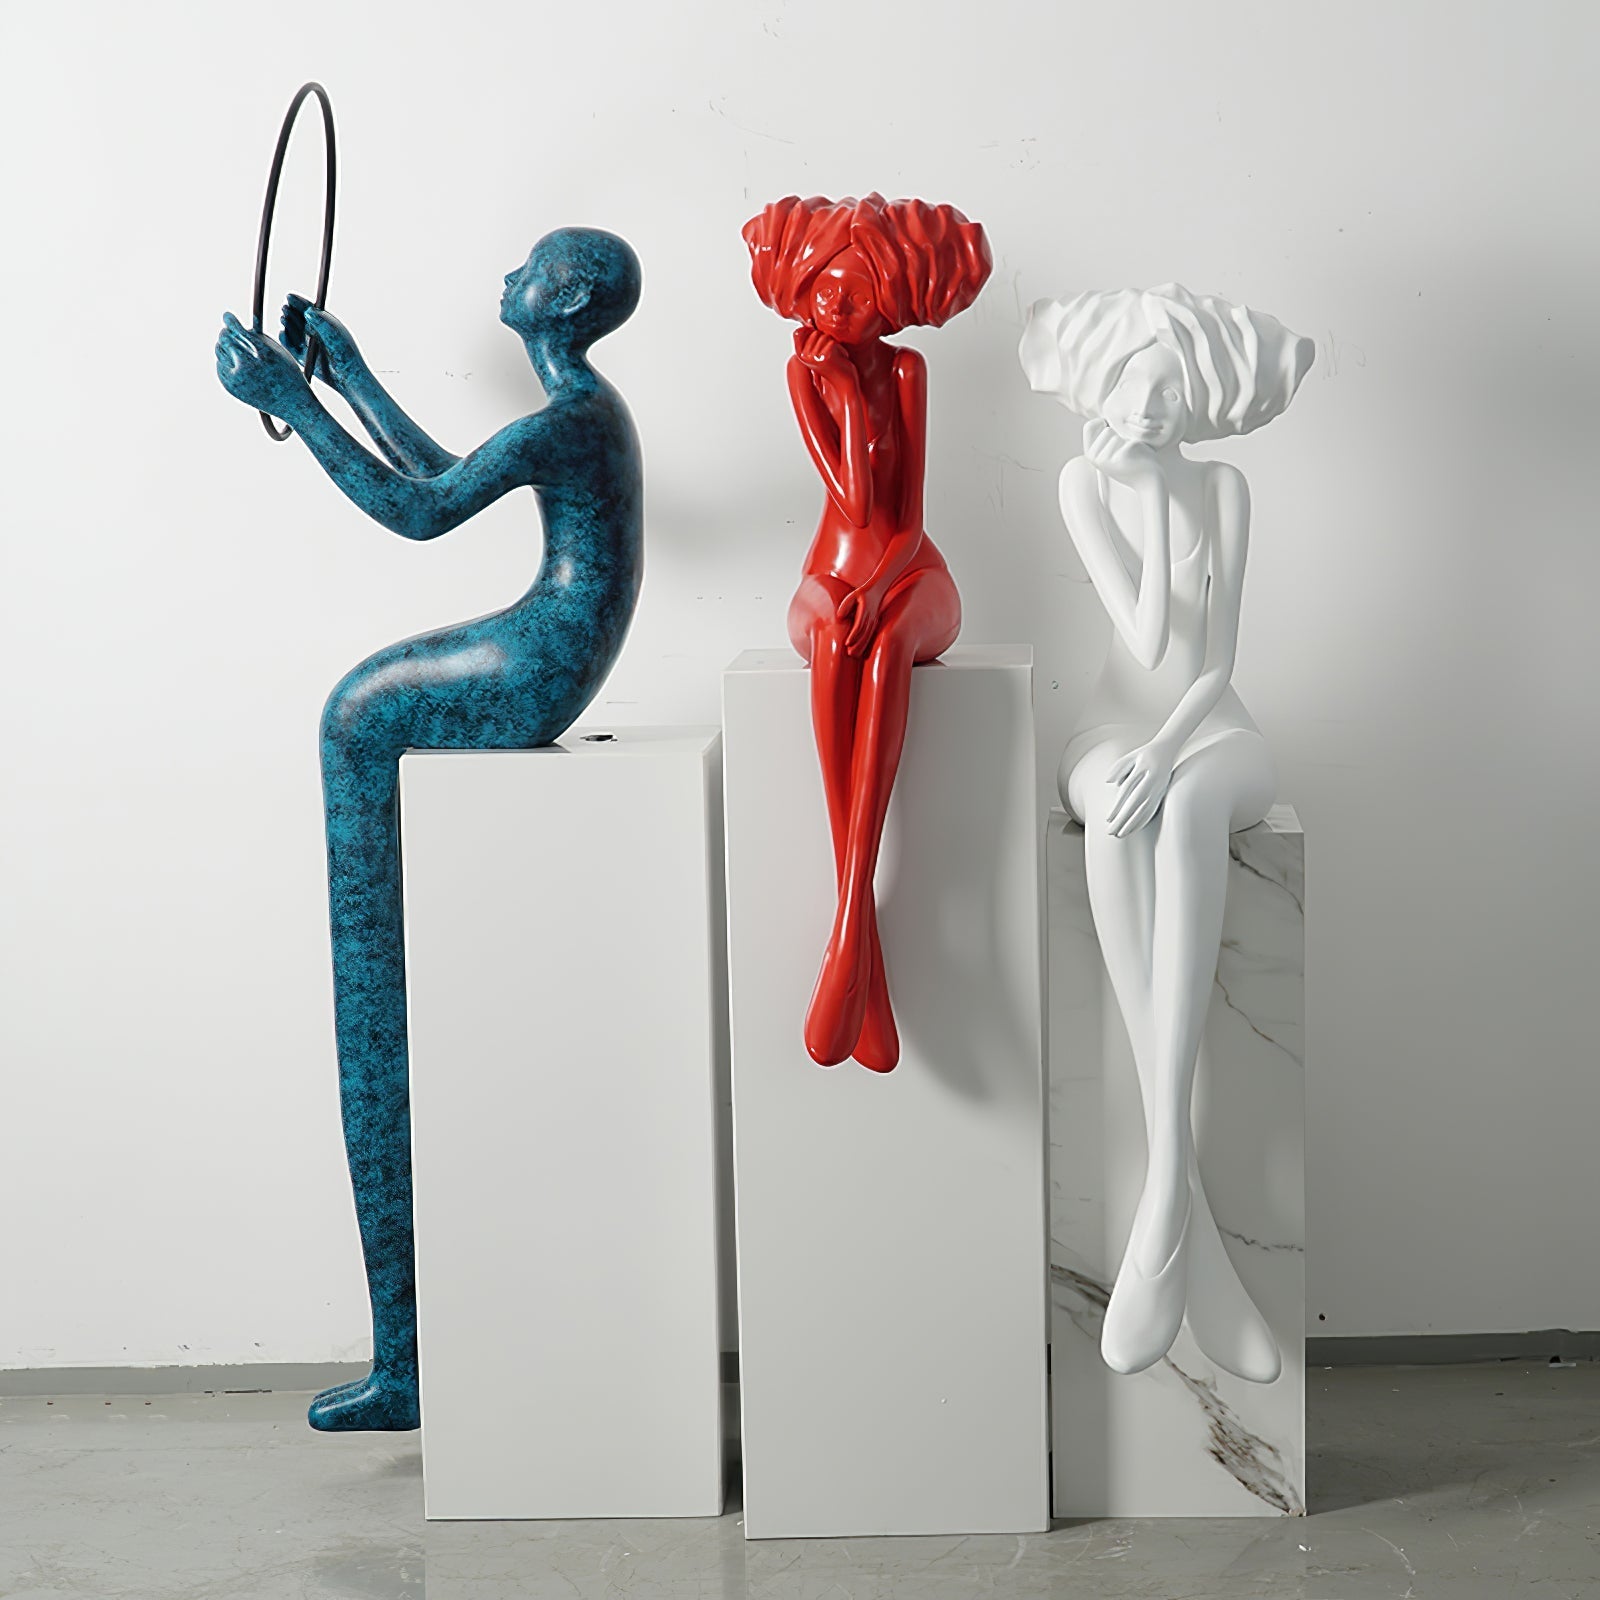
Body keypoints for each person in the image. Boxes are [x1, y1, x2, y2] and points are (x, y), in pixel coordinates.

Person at [214, 227, 643, 1429]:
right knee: (356, 711)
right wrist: (347, 376)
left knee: (354, 717)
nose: (507, 276)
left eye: (528, 266)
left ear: (564, 296)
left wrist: (291, 403)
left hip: (537, 668)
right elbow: (449, 476)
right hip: (546, 656)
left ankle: (404, 1360)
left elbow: (417, 513)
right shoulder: (580, 413)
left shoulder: (574, 418)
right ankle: (401, 1351)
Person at [1020, 284, 1313, 1380]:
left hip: (1208, 725)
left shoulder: (1225, 487)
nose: (1145, 414)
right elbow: (1142, 639)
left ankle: (1162, 1194)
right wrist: (1137, 496)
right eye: (1131, 392)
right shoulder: (1082, 481)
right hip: (1111, 724)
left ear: (1195, 401)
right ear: (1101, 388)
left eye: (1166, 397)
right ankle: (1177, 1200)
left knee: (1186, 802)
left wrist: (1170, 747)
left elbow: (1212, 659)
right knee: (1112, 811)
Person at [743, 194, 991, 1071]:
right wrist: (842, 398)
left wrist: (883, 588)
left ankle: (849, 924)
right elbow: (849, 502)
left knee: (885, 649)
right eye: (824, 289)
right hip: (828, 575)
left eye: (855, 295)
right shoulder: (804, 373)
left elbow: (904, 519)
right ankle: (859, 928)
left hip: (910, 573)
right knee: (832, 642)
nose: (834, 306)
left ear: (891, 305)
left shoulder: (910, 371)